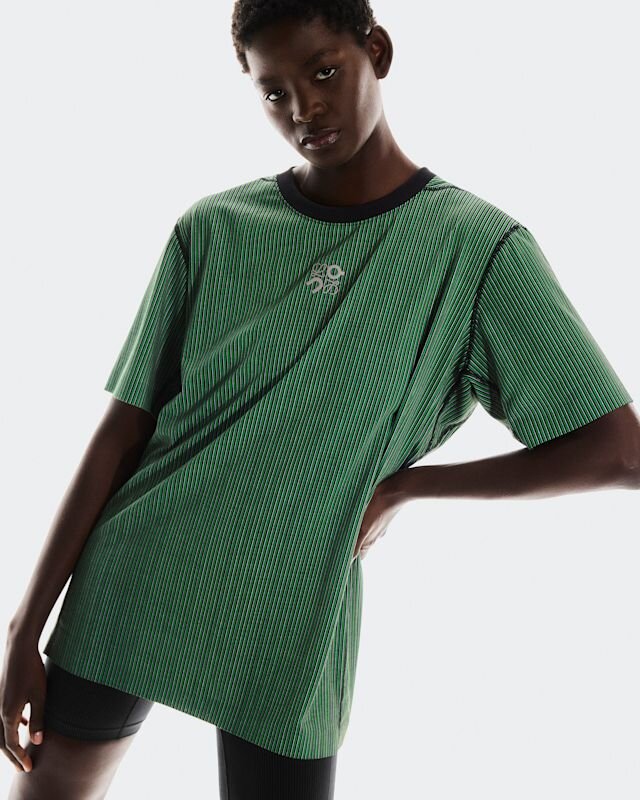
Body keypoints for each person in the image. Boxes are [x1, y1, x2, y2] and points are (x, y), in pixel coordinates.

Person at [3, 1, 639, 798]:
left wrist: (407, 487)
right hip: (137, 582)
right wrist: (24, 627)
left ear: (378, 50)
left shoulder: (476, 251)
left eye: (324, 72)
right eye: (274, 92)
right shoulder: (215, 228)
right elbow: (121, 431)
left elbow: (620, 451)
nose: (303, 109)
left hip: (294, 621)